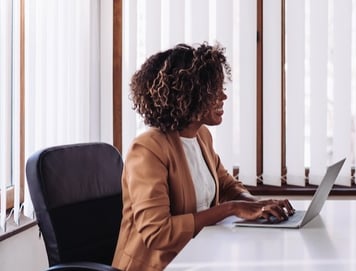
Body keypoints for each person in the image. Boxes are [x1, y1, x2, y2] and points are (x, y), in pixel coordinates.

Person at [113, 43, 295, 271]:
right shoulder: (148, 148)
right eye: (213, 90)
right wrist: (231, 209)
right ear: (187, 95)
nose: (224, 96)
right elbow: (157, 233)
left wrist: (257, 205)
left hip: (195, 257)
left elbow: (227, 185)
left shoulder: (201, 136)